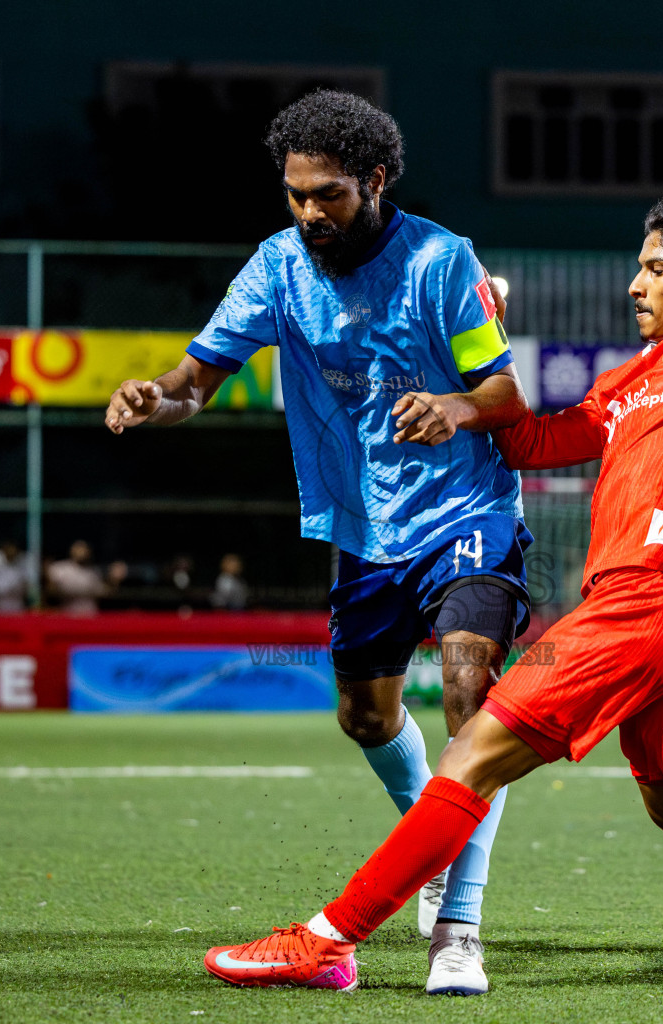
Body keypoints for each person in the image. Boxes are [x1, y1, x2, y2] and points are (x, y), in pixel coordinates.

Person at [203, 55, 663, 994]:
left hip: (645, 604)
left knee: (473, 750)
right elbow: (532, 440)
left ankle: (329, 939)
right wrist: (469, 368)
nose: (635, 284)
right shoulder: (628, 383)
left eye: (656, 268)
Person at [109, 89, 533, 995]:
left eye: (328, 194)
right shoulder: (275, 267)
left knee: (471, 695)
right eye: (296, 194)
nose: (310, 212)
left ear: (374, 181)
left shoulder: (442, 261)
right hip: (362, 527)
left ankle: (458, 929)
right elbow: (196, 381)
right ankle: (433, 834)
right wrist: (157, 398)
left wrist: (454, 407)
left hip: (468, 513)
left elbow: (504, 396)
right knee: (366, 718)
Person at [45, 539, 127, 615]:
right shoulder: (60, 568)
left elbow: (105, 593)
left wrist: (114, 580)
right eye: (78, 549)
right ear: (72, 550)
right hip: (67, 616)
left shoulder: (93, 572)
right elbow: (50, 591)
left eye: (84, 549)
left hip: (89, 617)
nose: (81, 552)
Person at [0, 540, 32, 613]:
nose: (11, 551)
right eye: (8, 548)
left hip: (17, 605)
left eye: (13, 549)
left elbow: (29, 586)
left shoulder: (25, 561)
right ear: (3, 548)